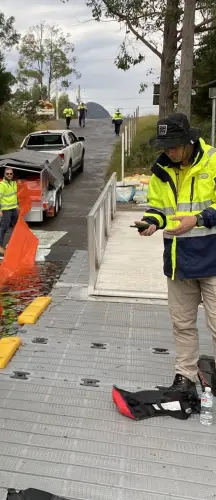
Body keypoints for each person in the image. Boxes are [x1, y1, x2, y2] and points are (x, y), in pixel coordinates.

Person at [136, 112, 216, 396]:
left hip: (213, 258)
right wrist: (151, 222)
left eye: (173, 145)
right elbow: (156, 207)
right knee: (182, 325)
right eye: (164, 146)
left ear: (189, 142)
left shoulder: (212, 161)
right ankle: (185, 376)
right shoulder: (160, 170)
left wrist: (199, 218)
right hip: (178, 260)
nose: (168, 151)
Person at [0, 167, 19, 255]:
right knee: (4, 228)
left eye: (10, 174)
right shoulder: (1, 185)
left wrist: (17, 205)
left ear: (13, 175)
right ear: (4, 175)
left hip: (13, 208)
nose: (9, 175)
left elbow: (14, 195)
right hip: (5, 210)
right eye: (7, 174)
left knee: (16, 227)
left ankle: (15, 244)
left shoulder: (13, 183)